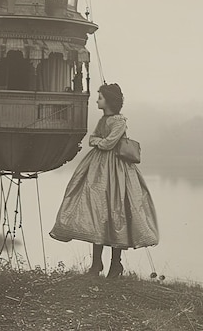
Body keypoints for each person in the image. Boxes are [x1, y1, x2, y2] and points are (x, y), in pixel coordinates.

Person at [49, 83, 159, 278]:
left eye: (100, 97)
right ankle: (96, 264)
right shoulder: (103, 120)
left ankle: (115, 264)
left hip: (117, 170)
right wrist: (99, 141)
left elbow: (106, 143)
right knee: (98, 212)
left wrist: (99, 142)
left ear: (109, 100)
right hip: (99, 169)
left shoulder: (119, 121)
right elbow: (92, 138)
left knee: (118, 213)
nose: (97, 100)